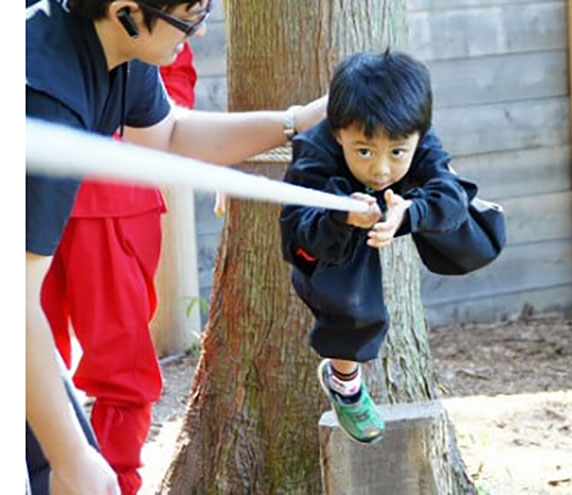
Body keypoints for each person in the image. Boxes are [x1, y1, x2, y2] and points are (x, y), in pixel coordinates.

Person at [26, 0, 326, 493]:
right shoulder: (44, 96)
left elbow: (168, 135)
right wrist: (73, 457)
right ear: (125, 10)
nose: (200, 31)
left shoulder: (122, 51)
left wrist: (296, 121)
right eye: (192, 13)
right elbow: (14, 303)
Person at [280, 50, 475, 444]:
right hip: (335, 220)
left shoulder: (419, 144)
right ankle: (344, 382)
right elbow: (298, 233)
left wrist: (411, 213)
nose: (381, 168)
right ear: (338, 133)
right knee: (354, 299)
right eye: (364, 150)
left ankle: (409, 207)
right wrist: (342, 218)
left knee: (472, 221)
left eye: (397, 151)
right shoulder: (316, 153)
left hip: (402, 204)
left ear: (419, 136)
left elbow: (449, 193)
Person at [38, 41, 195, 495]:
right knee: (25, 356)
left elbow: (172, 82)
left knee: (120, 363)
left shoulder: (148, 21)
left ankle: (116, 483)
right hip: (26, 189)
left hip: (112, 192)